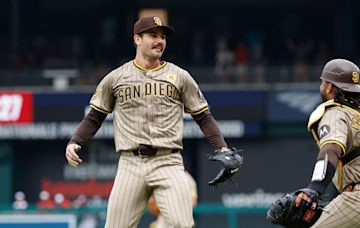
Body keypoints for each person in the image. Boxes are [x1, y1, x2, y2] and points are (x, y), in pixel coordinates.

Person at [65, 16, 235, 228]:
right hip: (130, 164)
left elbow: (203, 115)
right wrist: (75, 140)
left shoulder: (179, 76)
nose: (160, 41)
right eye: (153, 35)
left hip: (168, 162)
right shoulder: (115, 78)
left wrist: (222, 148)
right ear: (137, 39)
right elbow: (95, 116)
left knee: (183, 225)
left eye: (163, 36)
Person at [297, 58, 360, 227]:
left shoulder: (336, 113)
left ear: (330, 86)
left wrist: (314, 189)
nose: (322, 87)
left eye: (323, 82)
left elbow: (331, 150)